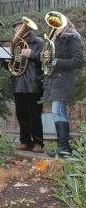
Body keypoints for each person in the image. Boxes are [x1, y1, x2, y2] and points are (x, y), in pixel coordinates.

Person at [44, 17, 83, 157]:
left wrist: (56, 61)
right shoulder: (56, 40)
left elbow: (78, 61)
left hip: (64, 80)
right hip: (55, 80)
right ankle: (64, 147)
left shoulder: (71, 38)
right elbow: (48, 59)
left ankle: (63, 147)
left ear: (65, 25)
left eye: (57, 25)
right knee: (59, 112)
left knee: (57, 111)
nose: (54, 28)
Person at [9, 19, 44, 153]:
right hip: (18, 83)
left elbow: (45, 59)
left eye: (20, 28)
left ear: (27, 29)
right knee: (21, 114)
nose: (17, 31)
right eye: (16, 29)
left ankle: (38, 142)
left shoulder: (38, 42)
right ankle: (25, 141)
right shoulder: (15, 44)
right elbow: (13, 67)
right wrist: (8, 62)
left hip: (33, 84)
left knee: (34, 114)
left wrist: (32, 54)